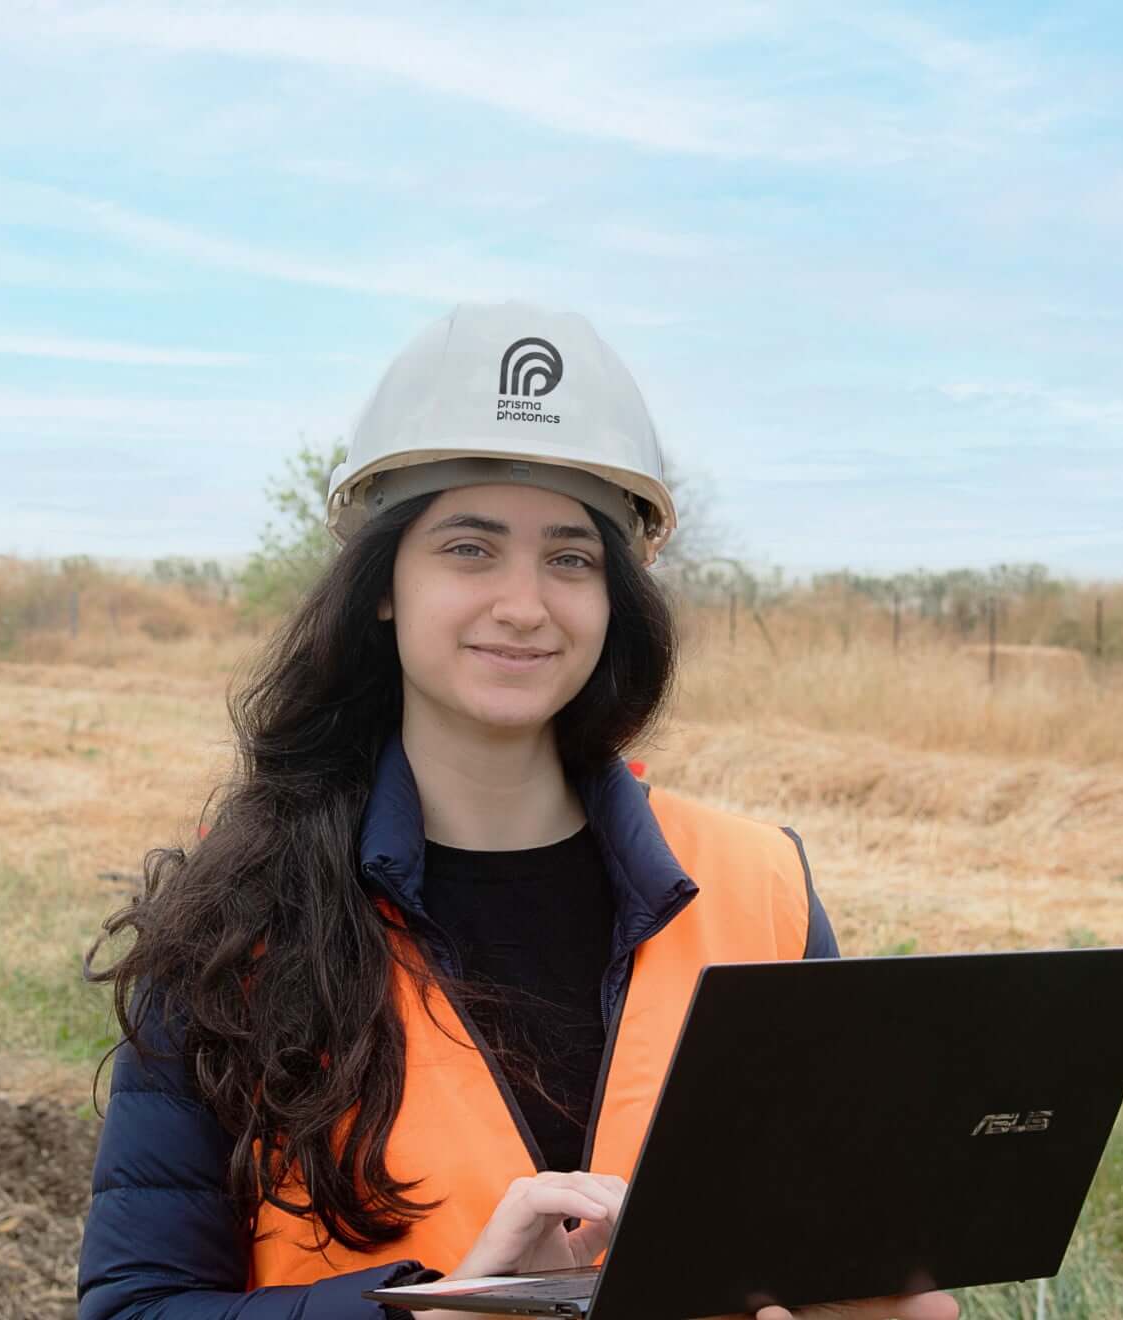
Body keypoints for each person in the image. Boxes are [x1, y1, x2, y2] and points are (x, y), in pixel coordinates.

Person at [78, 302, 958, 1320]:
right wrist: (432, 1317)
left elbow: (837, 1252)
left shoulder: (758, 889)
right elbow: (134, 1307)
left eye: (570, 558)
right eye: (467, 548)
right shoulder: (235, 924)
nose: (523, 604)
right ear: (382, 585)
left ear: (613, 596)